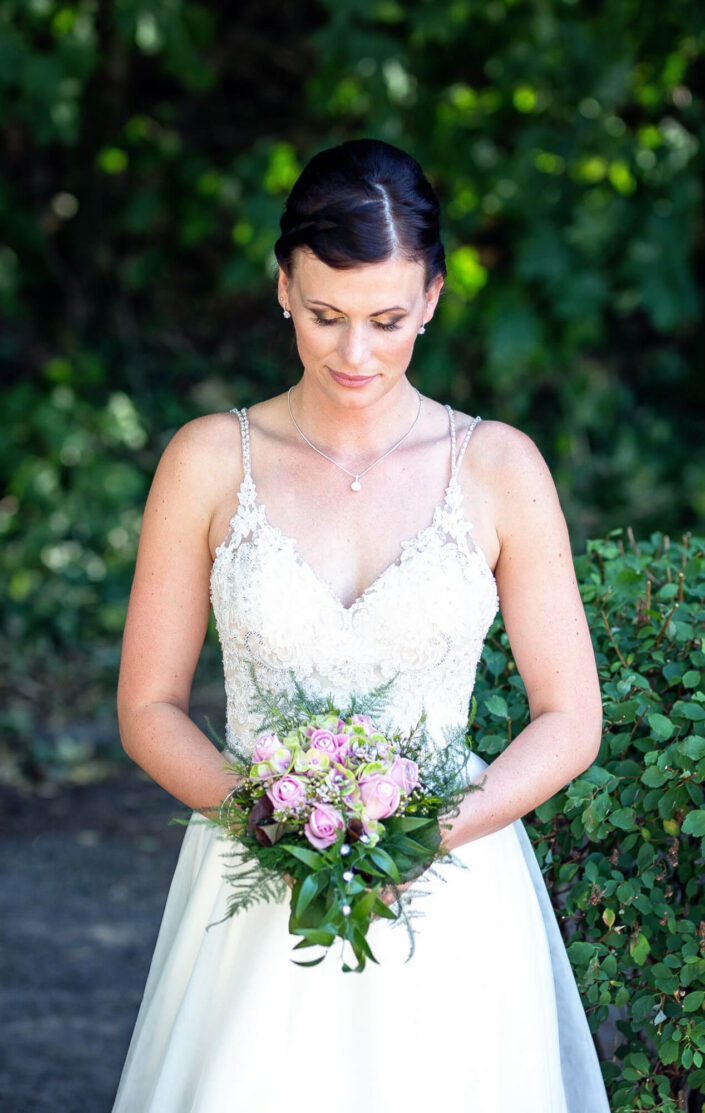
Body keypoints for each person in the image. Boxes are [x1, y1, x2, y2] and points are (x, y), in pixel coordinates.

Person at [111, 138, 611, 1113]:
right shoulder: (208, 461)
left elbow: (570, 717)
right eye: (325, 315)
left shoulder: (499, 467)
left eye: (386, 320)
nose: (355, 354)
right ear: (283, 287)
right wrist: (273, 824)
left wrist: (426, 837)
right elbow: (147, 707)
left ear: (431, 296)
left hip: (453, 895)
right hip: (253, 894)